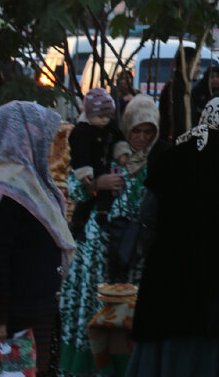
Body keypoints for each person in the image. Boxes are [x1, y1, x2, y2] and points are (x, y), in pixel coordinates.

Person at [128, 96, 219, 376]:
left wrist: (173, 233)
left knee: (172, 339)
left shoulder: (171, 157)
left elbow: (148, 212)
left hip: (172, 273)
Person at [0, 101, 76, 375]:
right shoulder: (3, 189)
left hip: (33, 308)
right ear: (26, 136)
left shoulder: (29, 184)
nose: (49, 145)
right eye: (45, 136)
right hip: (13, 319)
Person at [58, 95, 158, 376]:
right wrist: (96, 185)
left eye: (147, 132)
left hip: (137, 259)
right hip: (98, 255)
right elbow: (73, 189)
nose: (140, 138)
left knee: (126, 324)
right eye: (135, 131)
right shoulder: (107, 152)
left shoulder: (159, 162)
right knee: (95, 317)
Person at [68, 87, 123, 239]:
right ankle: (78, 225)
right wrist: (85, 173)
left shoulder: (109, 128)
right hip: (91, 170)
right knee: (85, 204)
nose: (105, 120)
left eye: (108, 116)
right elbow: (79, 155)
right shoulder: (81, 132)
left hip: (103, 168)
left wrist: (121, 151)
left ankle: (102, 214)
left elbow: (118, 138)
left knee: (104, 197)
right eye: (101, 116)